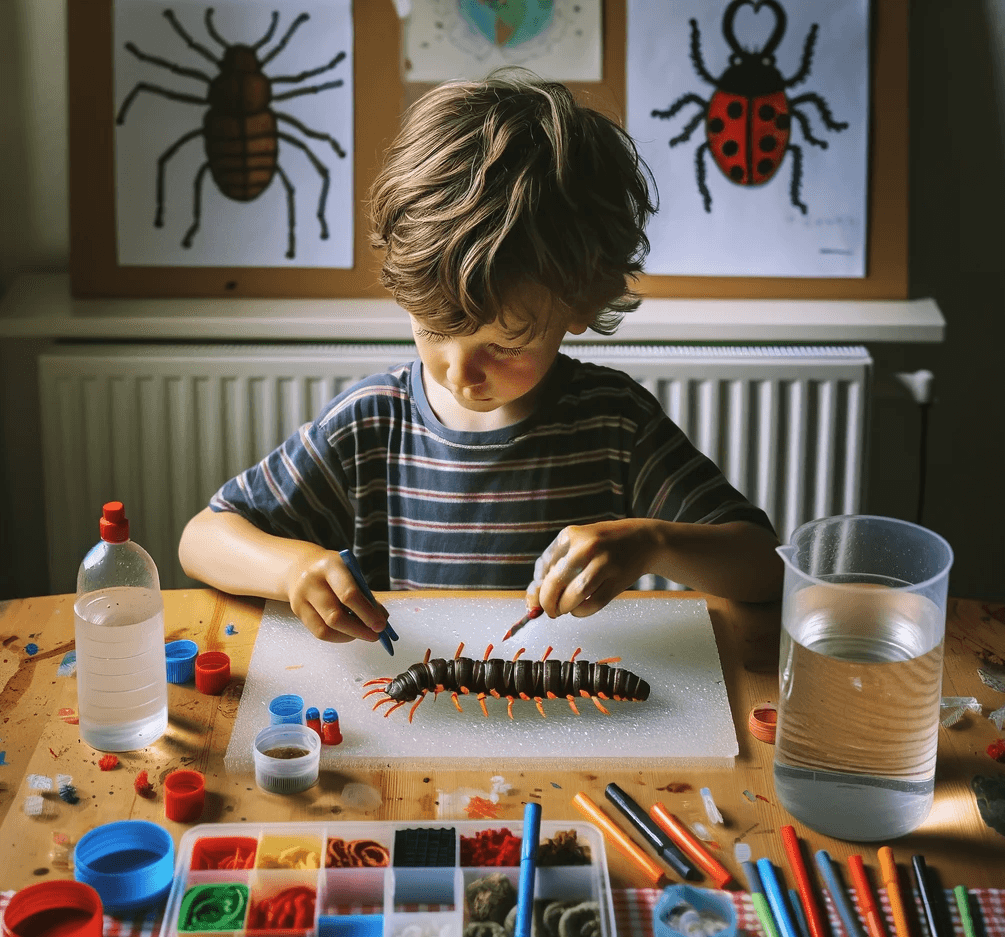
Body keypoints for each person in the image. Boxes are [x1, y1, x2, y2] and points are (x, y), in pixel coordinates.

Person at [178, 70, 782, 644]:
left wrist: (653, 542)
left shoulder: (614, 421)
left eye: (502, 345)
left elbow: (764, 567)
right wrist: (290, 569)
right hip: (423, 714)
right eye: (432, 328)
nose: (459, 372)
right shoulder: (371, 424)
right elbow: (202, 538)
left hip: (573, 713)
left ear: (580, 306)